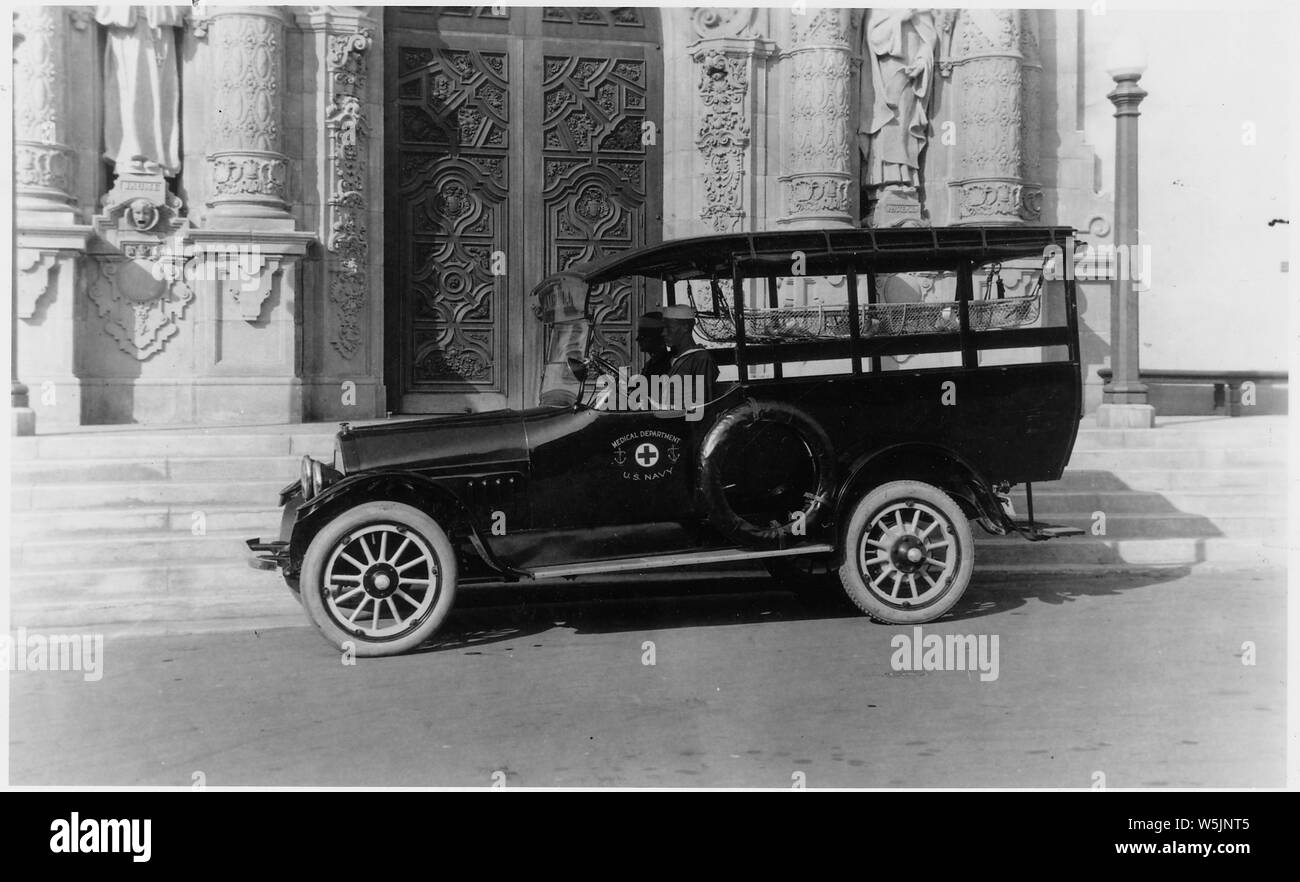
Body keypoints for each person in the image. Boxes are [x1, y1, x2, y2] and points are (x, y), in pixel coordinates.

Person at [663, 304, 718, 407]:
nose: (664, 333)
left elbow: (699, 403)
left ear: (685, 327)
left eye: (669, 328)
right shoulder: (674, 358)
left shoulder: (700, 359)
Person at [636, 311, 672, 379]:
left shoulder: (668, 365)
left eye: (643, 336)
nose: (637, 339)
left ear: (657, 338)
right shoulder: (649, 365)